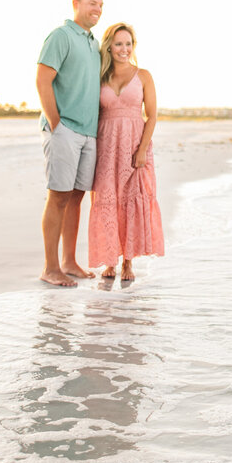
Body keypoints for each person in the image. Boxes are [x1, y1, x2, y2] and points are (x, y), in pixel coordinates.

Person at [35, 0, 104, 287]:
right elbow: (42, 79)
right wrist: (55, 123)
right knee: (58, 196)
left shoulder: (93, 43)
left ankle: (69, 262)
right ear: (75, 4)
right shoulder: (60, 36)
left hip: (88, 133)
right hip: (64, 130)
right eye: (92, 3)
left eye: (101, 5)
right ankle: (50, 268)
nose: (97, 9)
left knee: (76, 198)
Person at [88, 22, 164, 280]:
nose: (124, 49)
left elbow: (152, 116)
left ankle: (128, 263)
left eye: (128, 44)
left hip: (134, 146)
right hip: (106, 146)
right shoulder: (100, 76)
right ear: (109, 46)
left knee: (131, 202)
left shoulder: (143, 76)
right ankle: (110, 261)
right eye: (118, 44)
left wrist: (142, 150)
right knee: (107, 202)